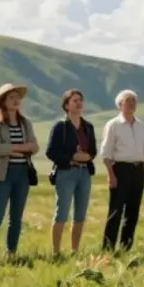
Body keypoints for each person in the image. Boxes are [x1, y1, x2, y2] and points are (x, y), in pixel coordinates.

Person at [0, 83, 39, 262]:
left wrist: (13, 149)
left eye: (17, 97)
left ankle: (11, 253)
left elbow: (35, 146)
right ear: (3, 102)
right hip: (2, 173)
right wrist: (20, 148)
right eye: (11, 98)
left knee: (16, 217)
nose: (16, 101)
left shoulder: (25, 123)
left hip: (22, 172)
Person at [46, 88, 97, 255]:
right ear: (66, 105)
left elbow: (93, 150)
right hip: (66, 172)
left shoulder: (88, 127)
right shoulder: (60, 127)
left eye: (80, 100)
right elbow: (51, 151)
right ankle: (56, 252)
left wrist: (86, 156)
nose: (79, 103)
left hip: (84, 173)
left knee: (80, 214)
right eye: (74, 100)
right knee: (62, 212)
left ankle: (74, 250)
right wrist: (71, 157)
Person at [100, 89, 144, 252]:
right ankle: (108, 248)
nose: (131, 104)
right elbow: (106, 153)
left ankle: (126, 248)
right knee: (116, 210)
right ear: (120, 105)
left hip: (138, 169)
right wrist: (111, 175)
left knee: (133, 211)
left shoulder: (141, 126)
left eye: (133, 101)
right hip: (120, 169)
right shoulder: (113, 125)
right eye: (127, 101)